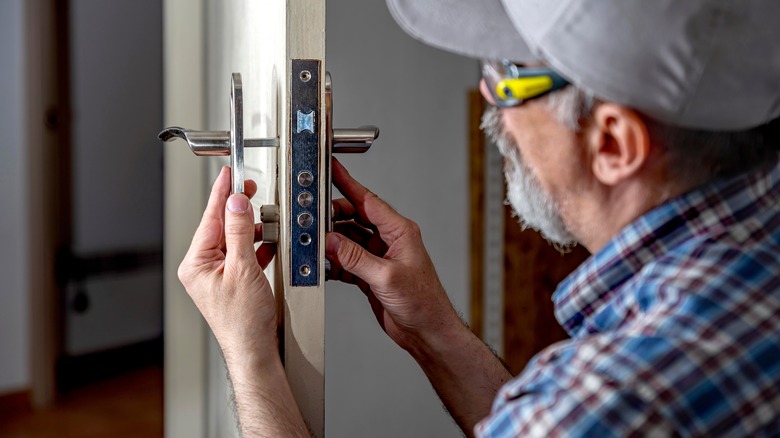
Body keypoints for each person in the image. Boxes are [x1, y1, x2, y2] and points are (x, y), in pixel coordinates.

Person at [177, 0, 780, 436]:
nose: (491, 101)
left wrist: (250, 354)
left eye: (511, 75)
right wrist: (433, 330)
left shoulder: (614, 397)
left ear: (614, 144)